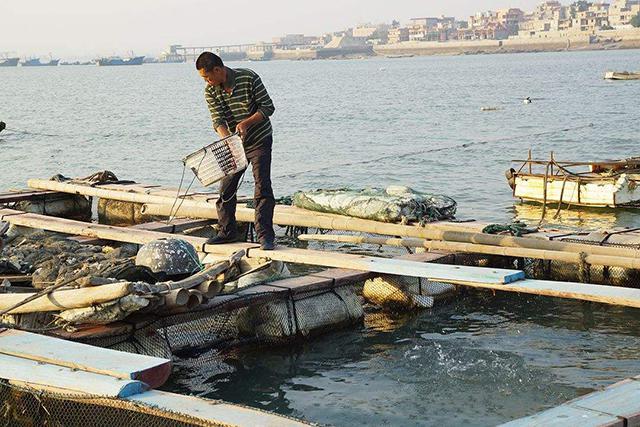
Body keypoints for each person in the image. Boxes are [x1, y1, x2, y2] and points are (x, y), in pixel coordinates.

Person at [196, 52, 276, 250]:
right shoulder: (210, 91)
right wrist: (227, 139)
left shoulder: (249, 77)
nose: (207, 81)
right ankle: (227, 232)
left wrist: (247, 123)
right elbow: (218, 120)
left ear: (218, 70)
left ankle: (265, 236)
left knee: (262, 186)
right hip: (233, 144)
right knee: (226, 188)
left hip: (259, 140)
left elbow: (268, 107)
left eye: (207, 77)